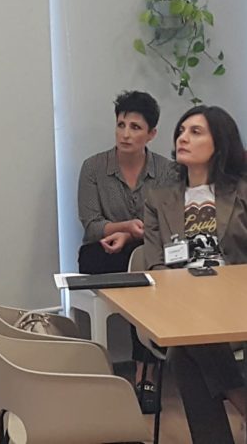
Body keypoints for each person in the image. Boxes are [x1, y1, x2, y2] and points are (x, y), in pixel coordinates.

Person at [144, 105, 247, 444]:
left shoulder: (242, 193)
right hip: (182, 306)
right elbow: (155, 265)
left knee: (183, 349)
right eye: (181, 131)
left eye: (195, 132)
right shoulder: (159, 200)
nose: (182, 138)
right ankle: (241, 399)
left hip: (236, 304)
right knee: (187, 336)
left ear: (220, 143)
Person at [77, 90, 174, 411]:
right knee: (142, 273)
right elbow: (92, 225)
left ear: (151, 134)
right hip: (103, 253)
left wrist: (133, 234)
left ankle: (144, 373)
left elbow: (168, 223)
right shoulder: (93, 168)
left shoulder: (166, 171)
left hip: (148, 253)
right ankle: (146, 372)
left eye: (135, 127)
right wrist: (125, 229)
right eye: (121, 125)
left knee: (145, 273)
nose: (125, 134)